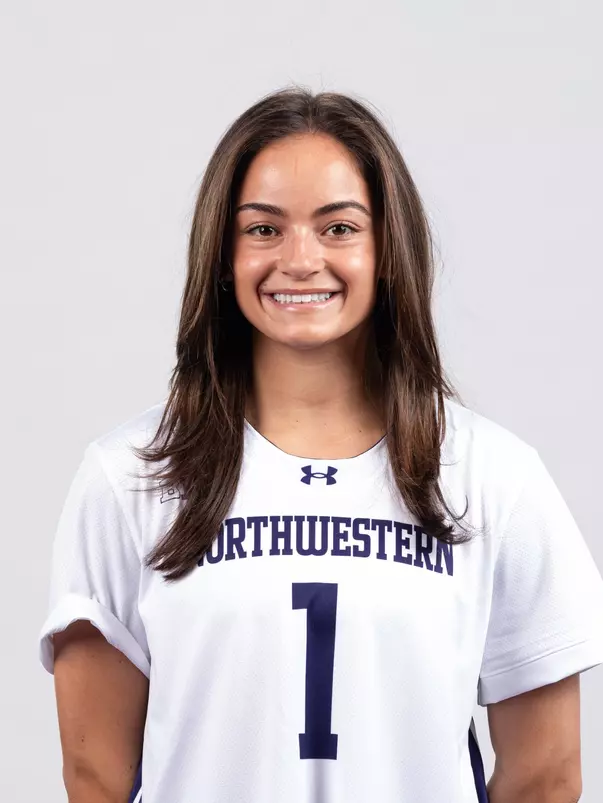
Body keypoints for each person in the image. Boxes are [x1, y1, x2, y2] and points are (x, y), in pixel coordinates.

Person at [39, 87, 603, 803]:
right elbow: (95, 777)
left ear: (386, 249)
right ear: (222, 250)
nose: (300, 259)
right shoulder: (130, 475)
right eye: (263, 229)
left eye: (338, 228)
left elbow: (546, 774)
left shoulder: (493, 477)